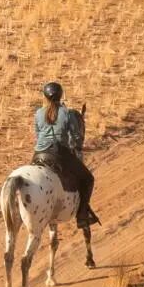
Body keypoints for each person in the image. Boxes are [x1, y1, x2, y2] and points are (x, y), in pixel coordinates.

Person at [32, 81, 97, 228]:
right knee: (88, 179)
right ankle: (81, 216)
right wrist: (75, 147)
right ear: (61, 95)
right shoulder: (67, 113)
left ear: (45, 96)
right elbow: (75, 137)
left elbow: (38, 134)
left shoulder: (38, 113)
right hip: (59, 153)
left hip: (39, 154)